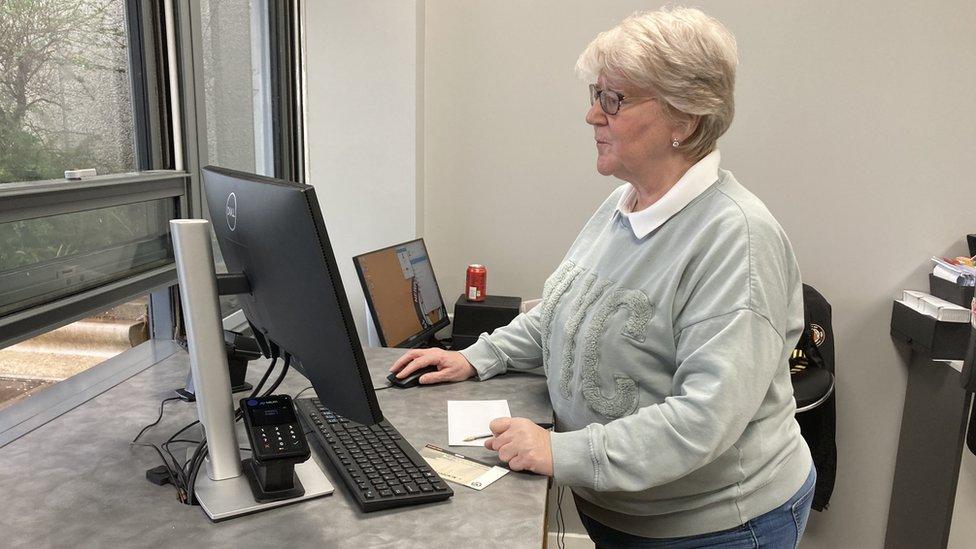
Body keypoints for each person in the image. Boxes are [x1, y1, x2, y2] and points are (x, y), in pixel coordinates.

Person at [390, 7, 815, 547]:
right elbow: (562, 309)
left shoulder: (737, 239)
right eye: (595, 94)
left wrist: (561, 452)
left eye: (614, 100)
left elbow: (704, 418)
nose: (592, 115)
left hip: (713, 527)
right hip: (622, 512)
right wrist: (477, 356)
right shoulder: (625, 202)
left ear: (685, 118)